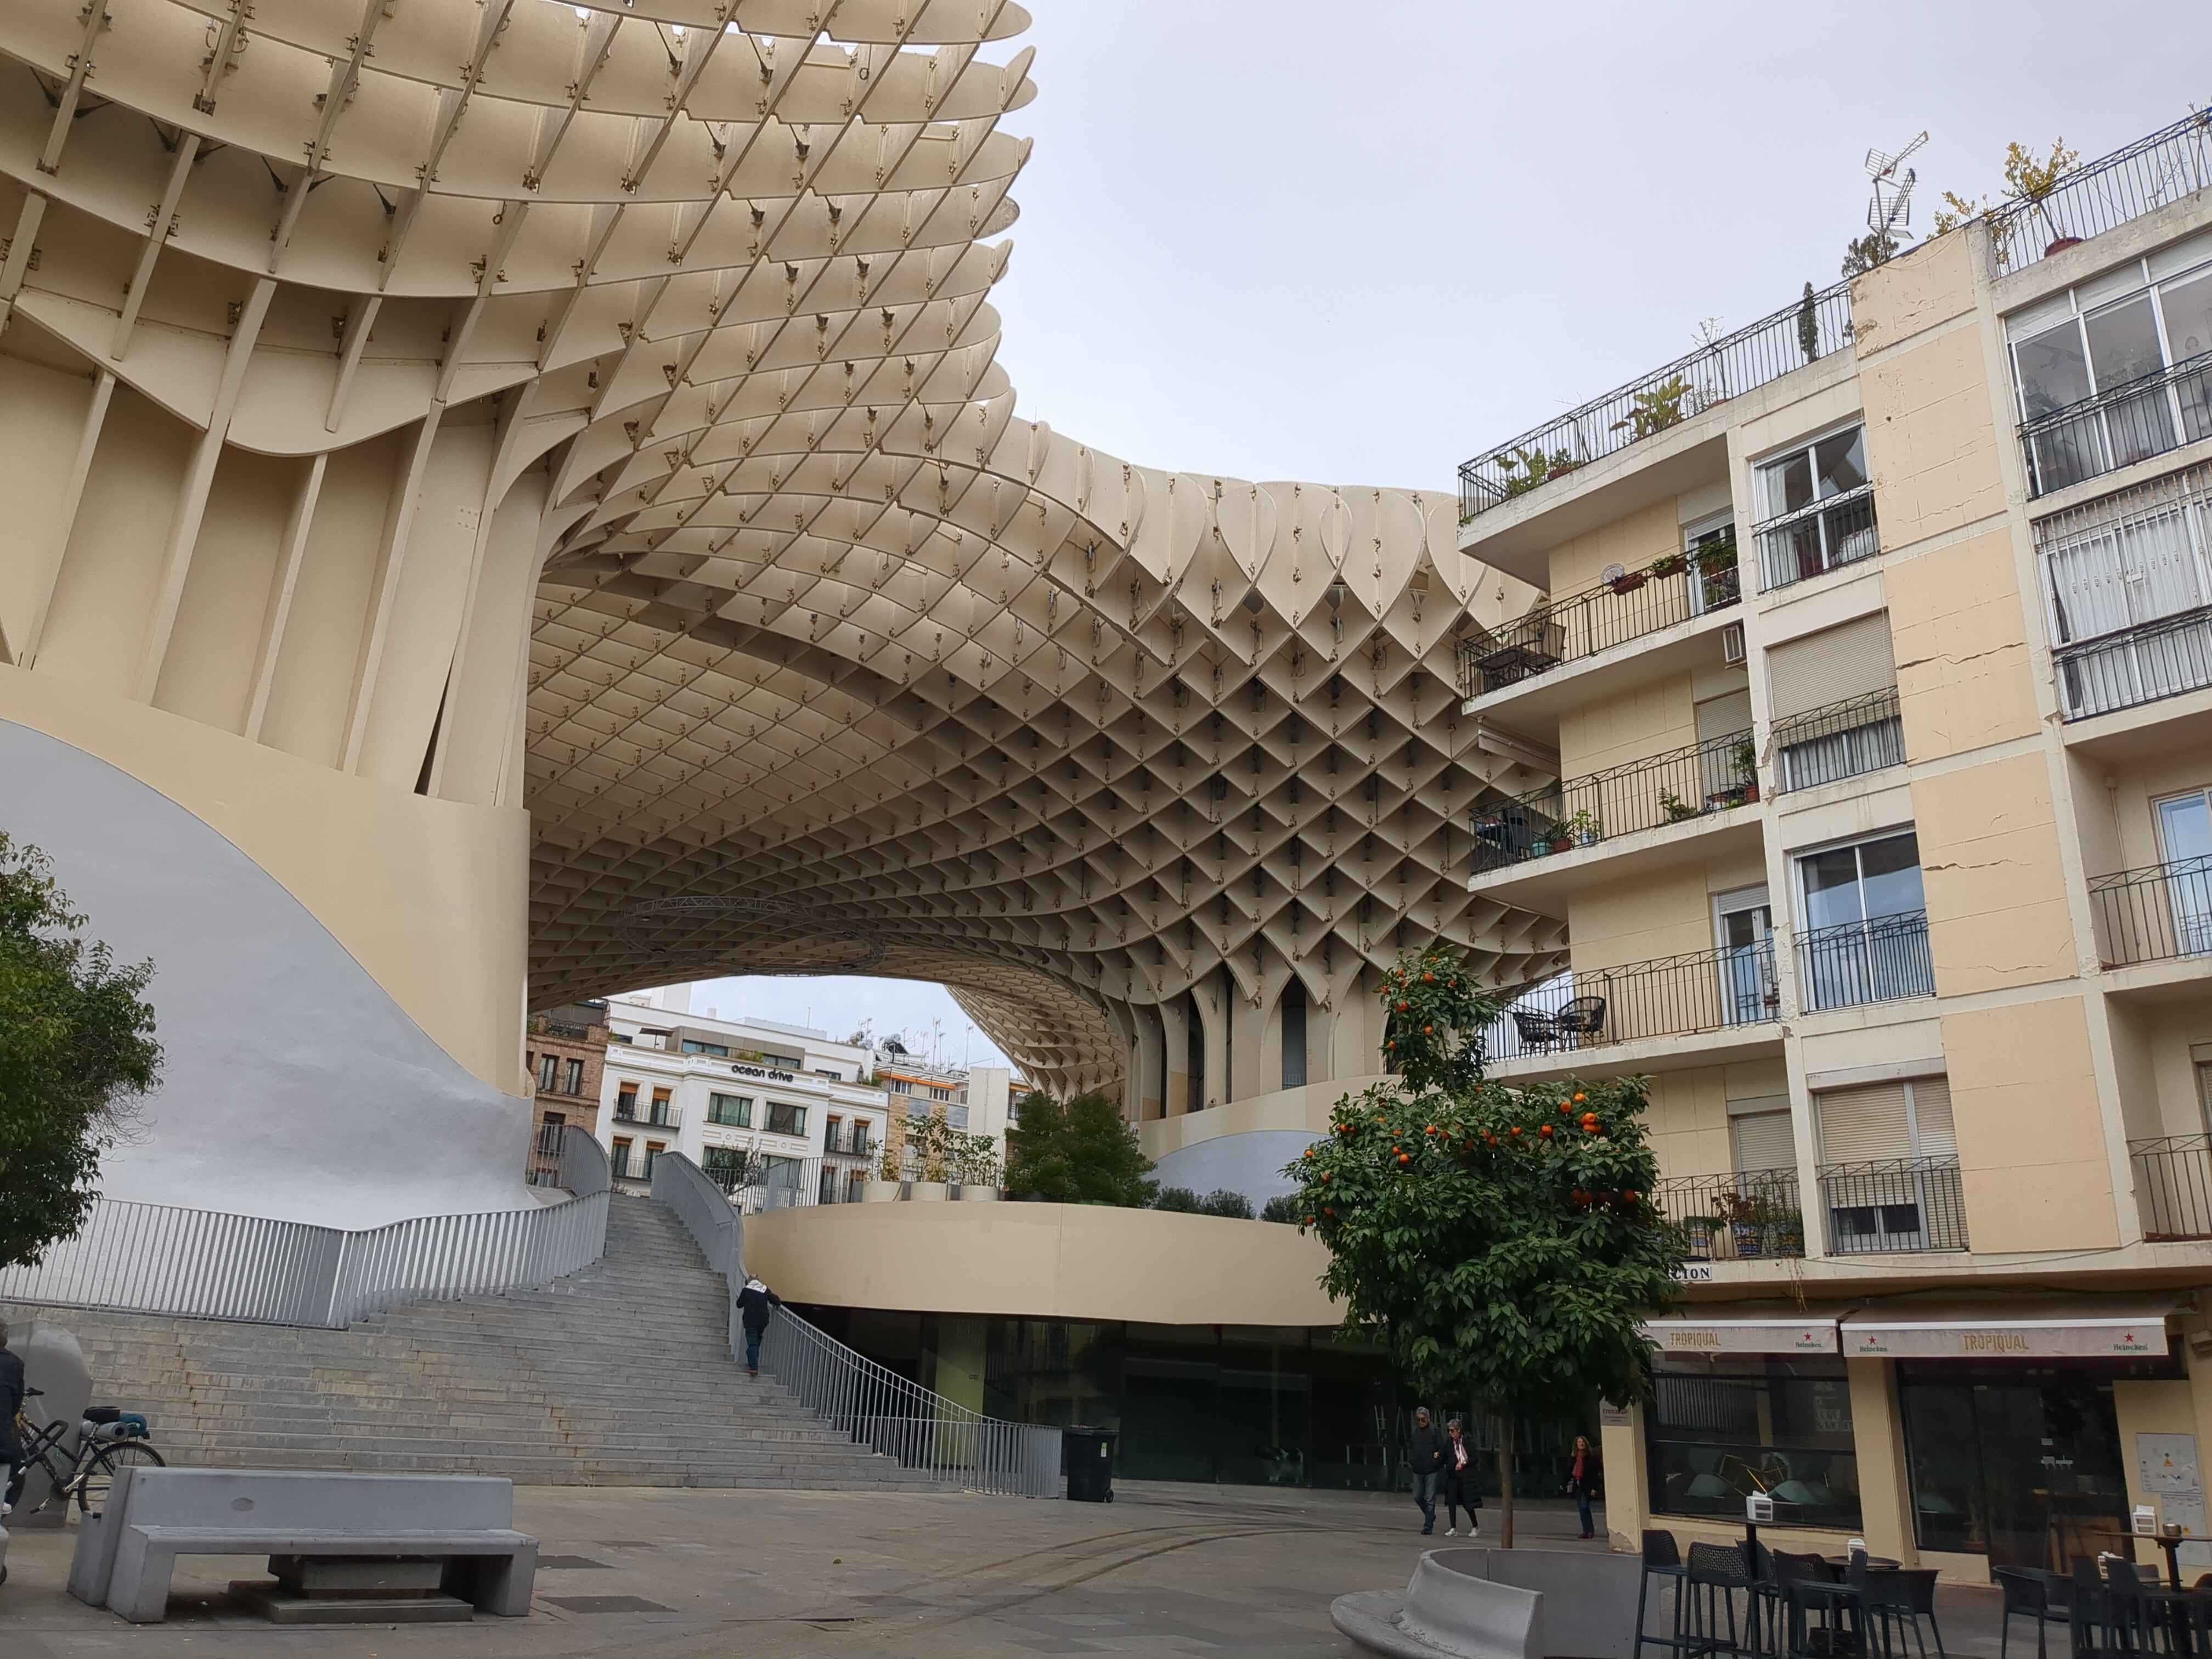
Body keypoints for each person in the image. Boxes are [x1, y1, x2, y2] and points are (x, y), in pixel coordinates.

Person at [1407, 1406, 1447, 1536]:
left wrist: (1436, 1460)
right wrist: (1412, 1460)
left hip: (1431, 1470)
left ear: (1428, 1419)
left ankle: (1428, 1526)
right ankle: (1430, 1516)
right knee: (1417, 1497)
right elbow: (1411, 1447)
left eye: (1423, 1419)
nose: (1421, 1422)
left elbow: (1442, 1449)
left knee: (1430, 1498)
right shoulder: (1416, 1432)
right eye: (1418, 1419)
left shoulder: (1435, 1431)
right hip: (1418, 1469)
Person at [734, 1277, 782, 1378]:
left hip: (751, 1321)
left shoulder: (746, 1290)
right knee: (756, 1341)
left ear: (748, 1281)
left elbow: (739, 1304)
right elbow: (776, 1300)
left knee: (752, 1344)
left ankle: (753, 1367)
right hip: (763, 1321)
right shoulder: (764, 1289)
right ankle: (753, 1360)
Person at [0, 1318, 25, 1515]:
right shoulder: (15, 1364)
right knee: (19, 1465)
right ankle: (5, 1505)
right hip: (3, 1442)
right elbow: (16, 1404)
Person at [1441, 1416, 1480, 1537]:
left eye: (1453, 1431)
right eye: (1449, 1431)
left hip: (1465, 1477)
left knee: (1467, 1503)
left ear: (1458, 1430)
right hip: (1453, 1476)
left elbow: (1474, 1458)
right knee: (1452, 1501)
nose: (1451, 1433)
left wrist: (1464, 1463)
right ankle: (1453, 1527)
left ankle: (1475, 1526)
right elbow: (1445, 1455)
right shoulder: (1449, 1442)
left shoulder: (1467, 1441)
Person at [1566, 1433, 1600, 1539]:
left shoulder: (1591, 1457)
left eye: (1582, 1442)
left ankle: (1590, 1530)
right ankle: (1585, 1531)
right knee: (1581, 1508)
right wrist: (1563, 1483)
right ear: (1576, 1445)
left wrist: (1595, 1488)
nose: (1581, 1444)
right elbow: (1569, 1471)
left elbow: (1595, 1474)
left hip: (1587, 1485)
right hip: (1577, 1484)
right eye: (1579, 1443)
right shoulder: (1574, 1457)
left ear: (1586, 1443)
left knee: (1585, 1506)